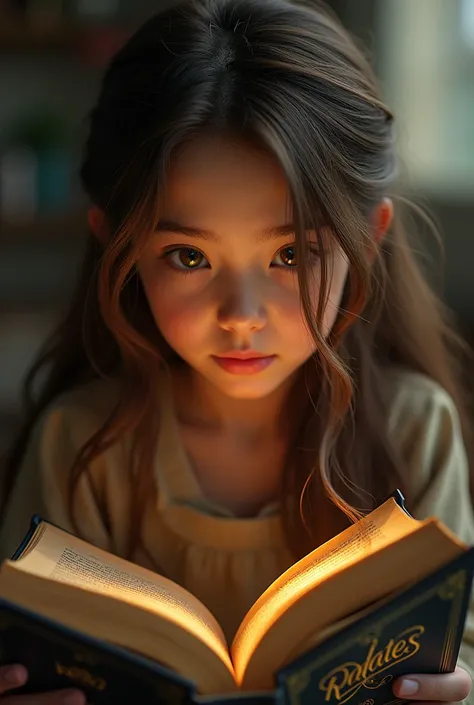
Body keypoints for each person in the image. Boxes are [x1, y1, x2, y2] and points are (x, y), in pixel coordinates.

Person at [0, 0, 473, 702]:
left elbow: (459, 653)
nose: (241, 318)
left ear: (367, 237)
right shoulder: (81, 446)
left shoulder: (412, 427)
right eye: (189, 256)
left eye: (291, 253)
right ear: (119, 247)